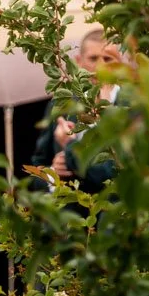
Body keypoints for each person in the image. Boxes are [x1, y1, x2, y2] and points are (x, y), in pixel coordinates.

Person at [29, 28, 123, 196]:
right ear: (79, 62)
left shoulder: (134, 104)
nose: (100, 66)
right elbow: (37, 167)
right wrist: (52, 174)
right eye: (93, 58)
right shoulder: (62, 104)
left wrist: (70, 150)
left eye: (107, 59)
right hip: (68, 216)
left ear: (120, 63)